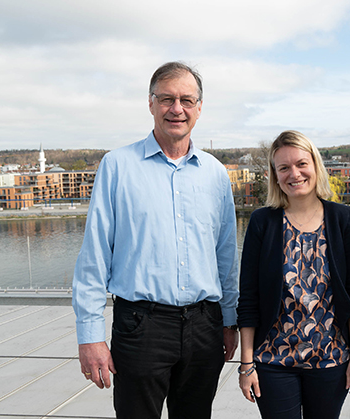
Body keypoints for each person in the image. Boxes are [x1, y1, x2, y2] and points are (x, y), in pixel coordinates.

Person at [72, 61, 239, 419]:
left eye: (186, 100)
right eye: (166, 99)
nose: (176, 109)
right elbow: (95, 257)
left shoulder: (215, 174)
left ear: (199, 108)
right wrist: (90, 335)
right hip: (141, 327)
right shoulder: (117, 166)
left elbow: (225, 255)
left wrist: (229, 320)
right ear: (150, 104)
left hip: (205, 327)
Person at [237, 130, 350, 419]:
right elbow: (249, 299)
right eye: (283, 168)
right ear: (275, 175)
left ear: (315, 166)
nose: (294, 174)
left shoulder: (341, 218)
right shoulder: (263, 222)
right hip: (273, 360)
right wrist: (247, 365)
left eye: (301, 164)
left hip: (331, 359)